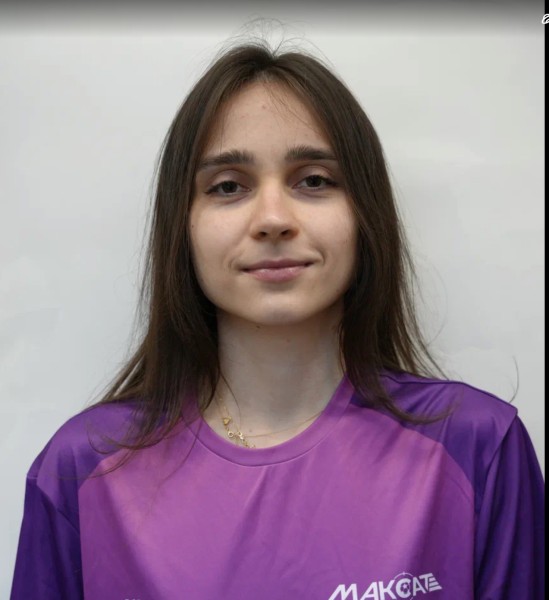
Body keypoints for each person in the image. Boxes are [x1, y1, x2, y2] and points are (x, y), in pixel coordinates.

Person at [10, 41, 544, 600]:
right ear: (181, 227)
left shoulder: (479, 448)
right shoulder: (81, 470)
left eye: (313, 180)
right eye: (228, 186)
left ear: (365, 213)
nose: (272, 219)